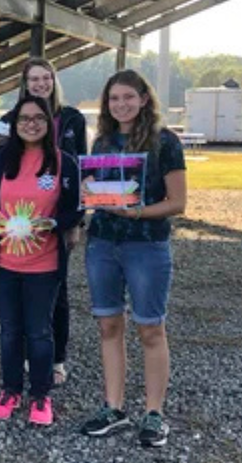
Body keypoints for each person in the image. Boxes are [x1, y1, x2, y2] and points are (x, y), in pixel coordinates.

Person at [79, 70, 186, 448]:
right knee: (109, 326)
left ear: (144, 99)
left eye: (128, 97)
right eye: (113, 98)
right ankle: (114, 407)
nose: (120, 104)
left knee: (150, 329)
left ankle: (154, 413)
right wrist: (87, 193)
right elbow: (93, 188)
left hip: (146, 246)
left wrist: (138, 213)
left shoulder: (166, 142)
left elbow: (178, 203)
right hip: (103, 244)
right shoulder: (103, 141)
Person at [0, 95, 83, 426]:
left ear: (48, 122)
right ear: (14, 124)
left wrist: (52, 224)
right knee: (10, 331)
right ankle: (10, 390)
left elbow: (75, 209)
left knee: (39, 332)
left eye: (38, 118)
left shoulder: (65, 163)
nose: (31, 124)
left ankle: (40, 394)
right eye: (24, 119)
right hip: (4, 263)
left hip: (45, 265)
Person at [9, 57, 88, 386]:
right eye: (34, 79)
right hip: (20, 220)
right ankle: (27, 351)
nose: (40, 84)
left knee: (58, 290)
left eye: (46, 78)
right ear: (25, 84)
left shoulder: (71, 119)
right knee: (19, 290)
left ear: (54, 81)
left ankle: (57, 358)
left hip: (59, 219)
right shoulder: (12, 119)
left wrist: (75, 223)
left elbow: (83, 169)